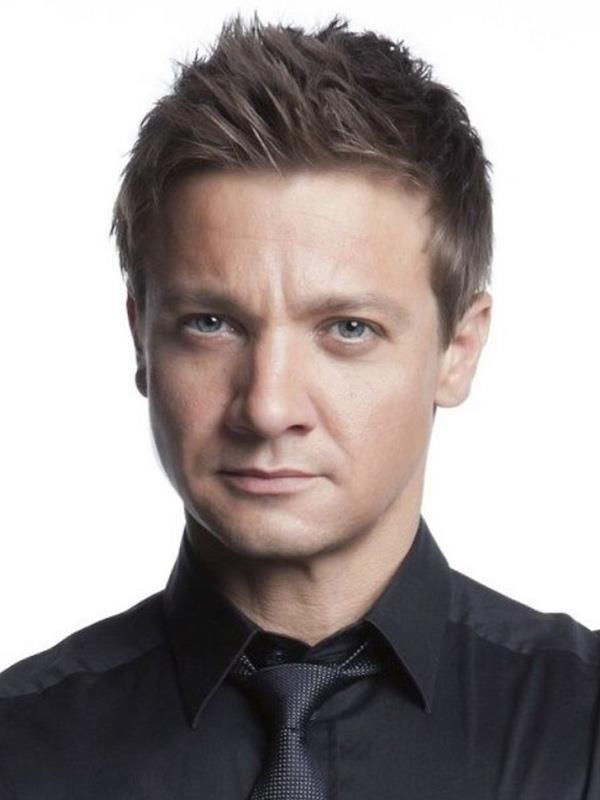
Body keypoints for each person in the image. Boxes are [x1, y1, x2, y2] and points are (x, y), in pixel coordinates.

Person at [1, 12, 598, 798]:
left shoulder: (584, 733)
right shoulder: (18, 751)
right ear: (141, 338)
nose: (268, 406)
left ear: (458, 350)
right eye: (211, 324)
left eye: (348, 328)